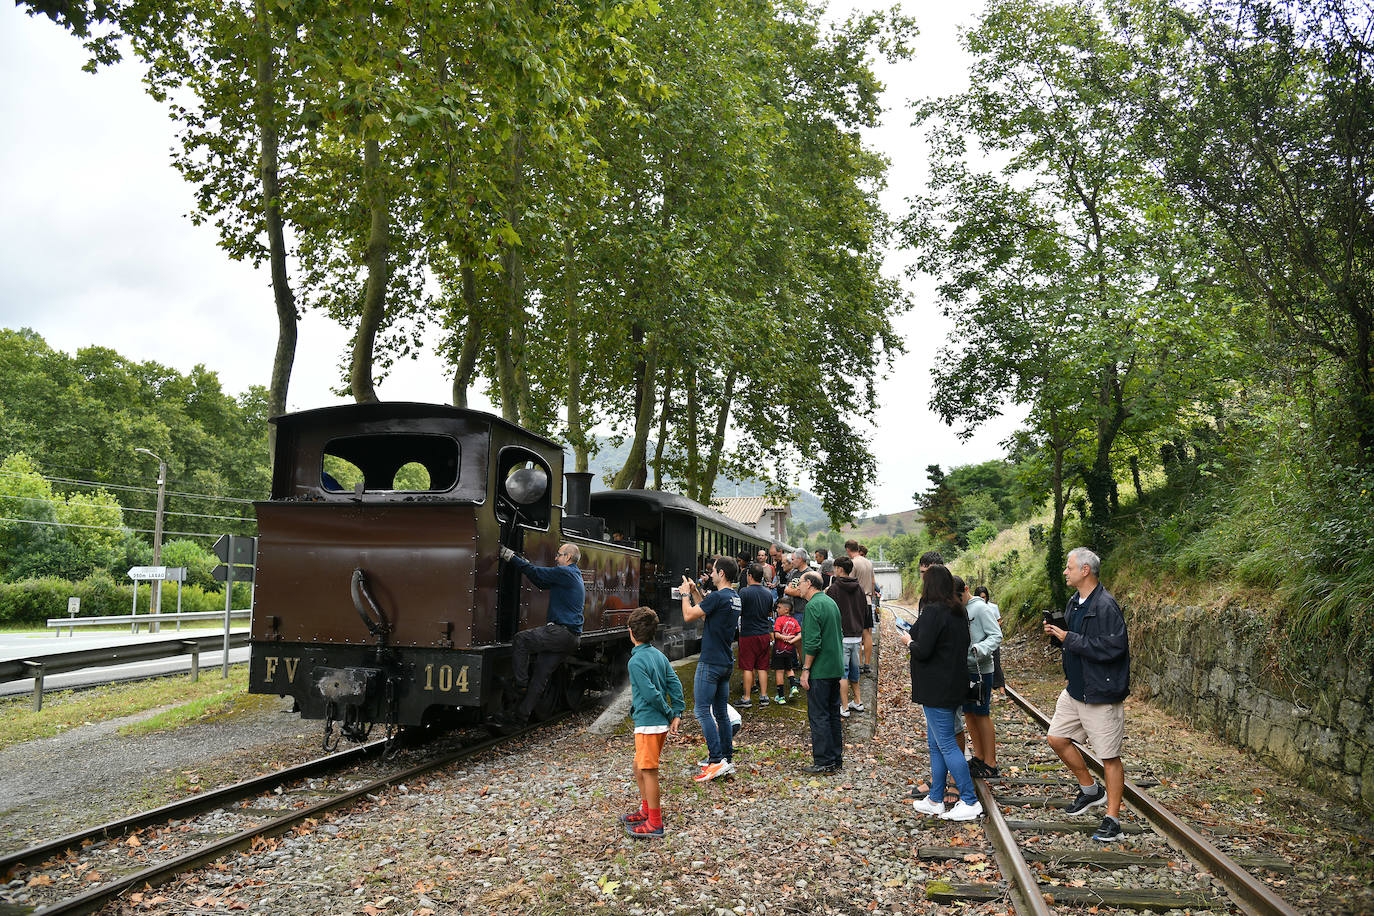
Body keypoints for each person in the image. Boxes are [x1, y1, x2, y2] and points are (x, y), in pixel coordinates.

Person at [1044, 547, 1131, 843]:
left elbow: (1113, 648)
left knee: (1109, 757)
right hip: (1076, 689)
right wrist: (1059, 637)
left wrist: (1071, 639)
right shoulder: (1074, 602)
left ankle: (1113, 819)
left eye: (1069, 568)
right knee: (1056, 737)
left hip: (1100, 691)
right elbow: (1076, 644)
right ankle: (1090, 791)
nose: (1065, 572)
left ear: (1085, 571)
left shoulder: (1106, 605)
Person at [897, 564, 982, 821]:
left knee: (945, 744)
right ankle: (935, 798)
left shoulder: (933, 611)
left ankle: (969, 800)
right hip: (953, 684)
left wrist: (908, 642)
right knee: (935, 744)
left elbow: (922, 649)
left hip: (936, 688)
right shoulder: (957, 610)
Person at [493, 542, 585, 729]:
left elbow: (537, 572)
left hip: (560, 632)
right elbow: (540, 581)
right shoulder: (572, 575)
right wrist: (525, 564)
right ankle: (520, 718)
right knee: (540, 676)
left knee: (521, 639)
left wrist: (511, 557)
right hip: (571, 637)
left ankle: (520, 685)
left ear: (568, 557)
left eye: (559, 555)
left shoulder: (565, 573)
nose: (556, 558)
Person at [621, 607, 684, 839]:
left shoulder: (635, 662)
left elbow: (651, 695)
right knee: (639, 766)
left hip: (649, 723)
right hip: (653, 723)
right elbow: (674, 683)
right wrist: (677, 710)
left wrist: (670, 713)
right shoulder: (659, 656)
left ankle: (655, 823)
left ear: (631, 632)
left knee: (648, 771)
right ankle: (646, 810)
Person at [681, 557, 742, 782]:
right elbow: (706, 612)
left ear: (722, 574)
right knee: (720, 712)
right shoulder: (734, 598)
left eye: (713, 571)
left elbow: (689, 615)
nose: (711, 574)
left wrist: (684, 594)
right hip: (726, 661)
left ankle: (715, 760)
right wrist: (696, 591)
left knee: (702, 710)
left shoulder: (718, 596)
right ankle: (726, 759)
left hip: (711, 661)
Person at [797, 572, 844, 774]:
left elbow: (813, 642)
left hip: (820, 668)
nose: (798, 587)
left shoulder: (813, 605)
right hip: (835, 667)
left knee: (819, 715)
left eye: (799, 583)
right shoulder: (830, 602)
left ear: (809, 584)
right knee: (833, 713)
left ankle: (823, 761)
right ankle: (835, 758)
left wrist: (806, 669)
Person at [956, 577, 1003, 778]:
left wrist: (979, 649)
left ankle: (990, 763)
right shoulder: (959, 608)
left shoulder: (981, 609)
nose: (956, 601)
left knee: (982, 714)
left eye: (958, 597)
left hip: (981, 671)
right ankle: (980, 756)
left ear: (965, 590)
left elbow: (996, 635)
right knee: (969, 713)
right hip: (964, 670)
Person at [826, 556, 868, 717]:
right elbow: (864, 611)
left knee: (842, 672)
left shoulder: (834, 589)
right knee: (854, 670)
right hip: (856, 636)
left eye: (835, 568)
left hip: (841, 637)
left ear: (840, 569)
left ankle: (844, 707)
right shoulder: (859, 588)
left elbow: (830, 614)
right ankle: (857, 701)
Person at [737, 563, 776, 707]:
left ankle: (746, 698)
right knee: (763, 666)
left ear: (750, 576)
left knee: (748, 667)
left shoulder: (744, 592)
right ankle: (764, 697)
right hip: (764, 633)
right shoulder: (768, 593)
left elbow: (739, 611)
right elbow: (769, 613)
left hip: (748, 634)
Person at [846, 540, 875, 671]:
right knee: (867, 634)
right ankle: (867, 664)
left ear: (848, 549)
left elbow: (849, 582)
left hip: (856, 602)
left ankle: (857, 665)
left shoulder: (853, 563)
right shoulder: (868, 562)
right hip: (868, 600)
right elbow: (873, 583)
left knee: (858, 634)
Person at [771, 597, 802, 703]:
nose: (777, 610)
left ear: (786, 610)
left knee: (779, 672)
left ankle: (781, 697)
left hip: (778, 651)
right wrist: (792, 640)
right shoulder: (794, 621)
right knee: (789, 669)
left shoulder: (779, 620)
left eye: (779, 608)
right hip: (790, 650)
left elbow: (776, 634)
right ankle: (793, 687)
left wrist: (785, 638)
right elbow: (800, 634)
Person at [975, 586, 1006, 691]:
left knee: (996, 663)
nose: (983, 599)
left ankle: (1002, 688)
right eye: (980, 597)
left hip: (992, 639)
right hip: (980, 641)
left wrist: (992, 627)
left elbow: (999, 620)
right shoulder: (974, 608)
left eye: (984, 597)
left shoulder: (993, 607)